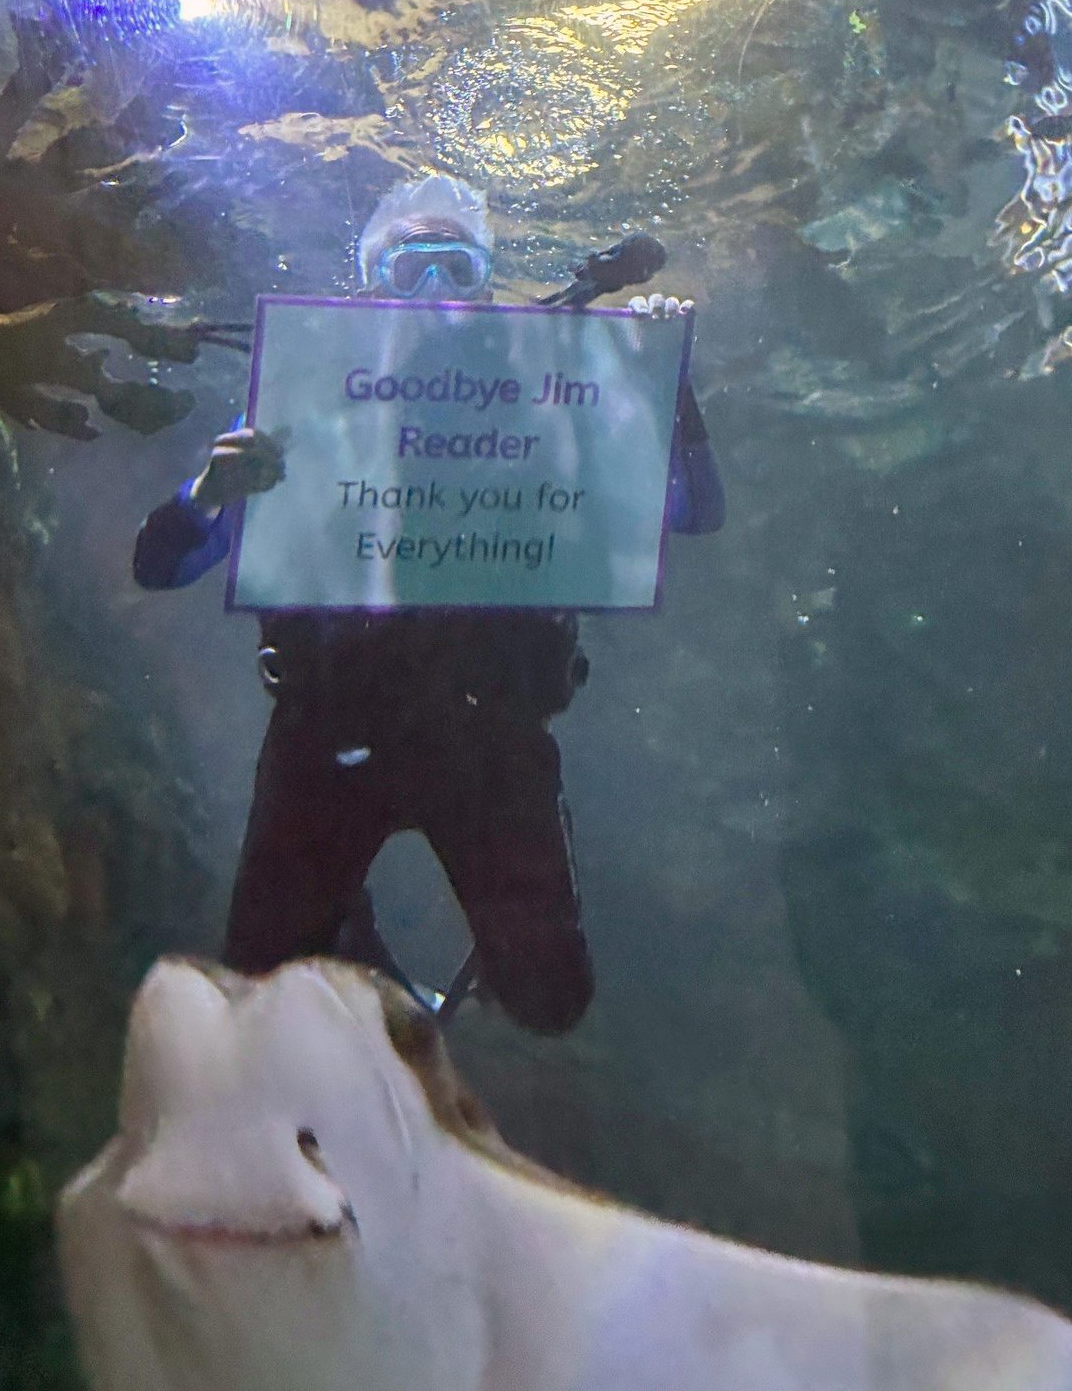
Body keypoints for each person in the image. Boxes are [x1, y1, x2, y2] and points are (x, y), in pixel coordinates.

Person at [133, 175, 724, 1035]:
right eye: (411, 268)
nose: (437, 292)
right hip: (327, 733)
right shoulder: (306, 407)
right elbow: (159, 565)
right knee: (261, 988)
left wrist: (672, 389)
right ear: (370, 285)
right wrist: (208, 492)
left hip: (490, 735)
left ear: (486, 284)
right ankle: (350, 936)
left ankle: (377, 946)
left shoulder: (548, 408)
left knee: (552, 998)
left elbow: (694, 513)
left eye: (456, 266)